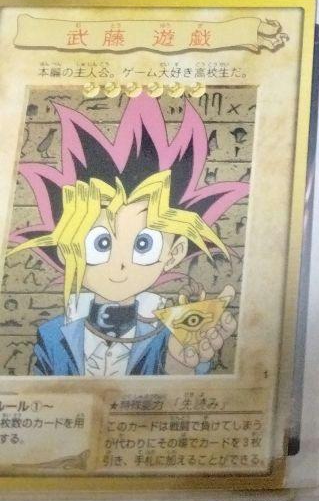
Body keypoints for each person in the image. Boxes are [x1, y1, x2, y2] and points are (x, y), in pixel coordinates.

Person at [8, 93, 247, 376]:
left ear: (174, 253)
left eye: (144, 244)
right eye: (101, 244)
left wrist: (179, 365)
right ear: (65, 249)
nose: (120, 265)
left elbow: (182, 389)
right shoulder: (51, 336)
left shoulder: (171, 336)